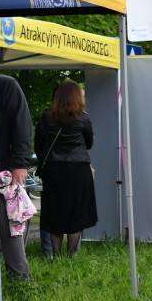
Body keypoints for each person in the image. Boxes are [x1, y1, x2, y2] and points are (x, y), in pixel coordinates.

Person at [0, 66, 33, 284]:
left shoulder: (5, 85)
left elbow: (22, 127)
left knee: (10, 229)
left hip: (2, 175)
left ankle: (20, 281)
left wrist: (20, 164)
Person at [34, 79, 97, 259]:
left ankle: (55, 255)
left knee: (54, 212)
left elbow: (39, 145)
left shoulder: (47, 117)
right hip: (79, 170)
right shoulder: (83, 118)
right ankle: (71, 256)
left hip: (54, 170)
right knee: (76, 213)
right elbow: (89, 144)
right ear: (77, 97)